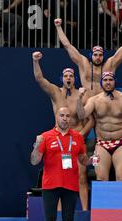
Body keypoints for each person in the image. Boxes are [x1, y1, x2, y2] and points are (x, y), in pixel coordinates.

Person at [30, 107, 95, 221]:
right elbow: (34, 161)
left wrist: (93, 160)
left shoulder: (78, 137)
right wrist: (36, 146)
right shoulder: (45, 137)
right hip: (50, 185)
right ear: (56, 117)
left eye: (67, 116)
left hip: (71, 186)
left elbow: (82, 159)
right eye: (62, 115)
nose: (65, 118)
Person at [32, 51, 94, 211]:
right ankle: (59, 212)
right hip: (59, 144)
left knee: (81, 177)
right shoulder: (55, 93)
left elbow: (91, 121)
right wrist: (35, 61)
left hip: (76, 142)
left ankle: (85, 211)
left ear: (74, 79)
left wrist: (80, 136)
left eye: (71, 76)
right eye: (66, 76)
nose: (68, 78)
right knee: (60, 180)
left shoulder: (82, 95)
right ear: (62, 78)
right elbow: (40, 79)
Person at [77, 72, 122, 181]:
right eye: (105, 80)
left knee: (121, 177)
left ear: (115, 81)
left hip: (121, 143)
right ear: (101, 83)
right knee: (101, 178)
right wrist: (79, 98)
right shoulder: (94, 100)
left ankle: (120, 199)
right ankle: (103, 199)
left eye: (110, 80)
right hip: (101, 144)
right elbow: (82, 115)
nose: (108, 82)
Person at [54, 17, 122, 97]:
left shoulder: (109, 65)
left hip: (103, 103)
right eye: (95, 55)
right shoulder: (83, 63)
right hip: (87, 101)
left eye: (100, 55)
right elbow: (67, 45)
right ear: (91, 56)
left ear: (103, 56)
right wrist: (58, 27)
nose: (98, 57)